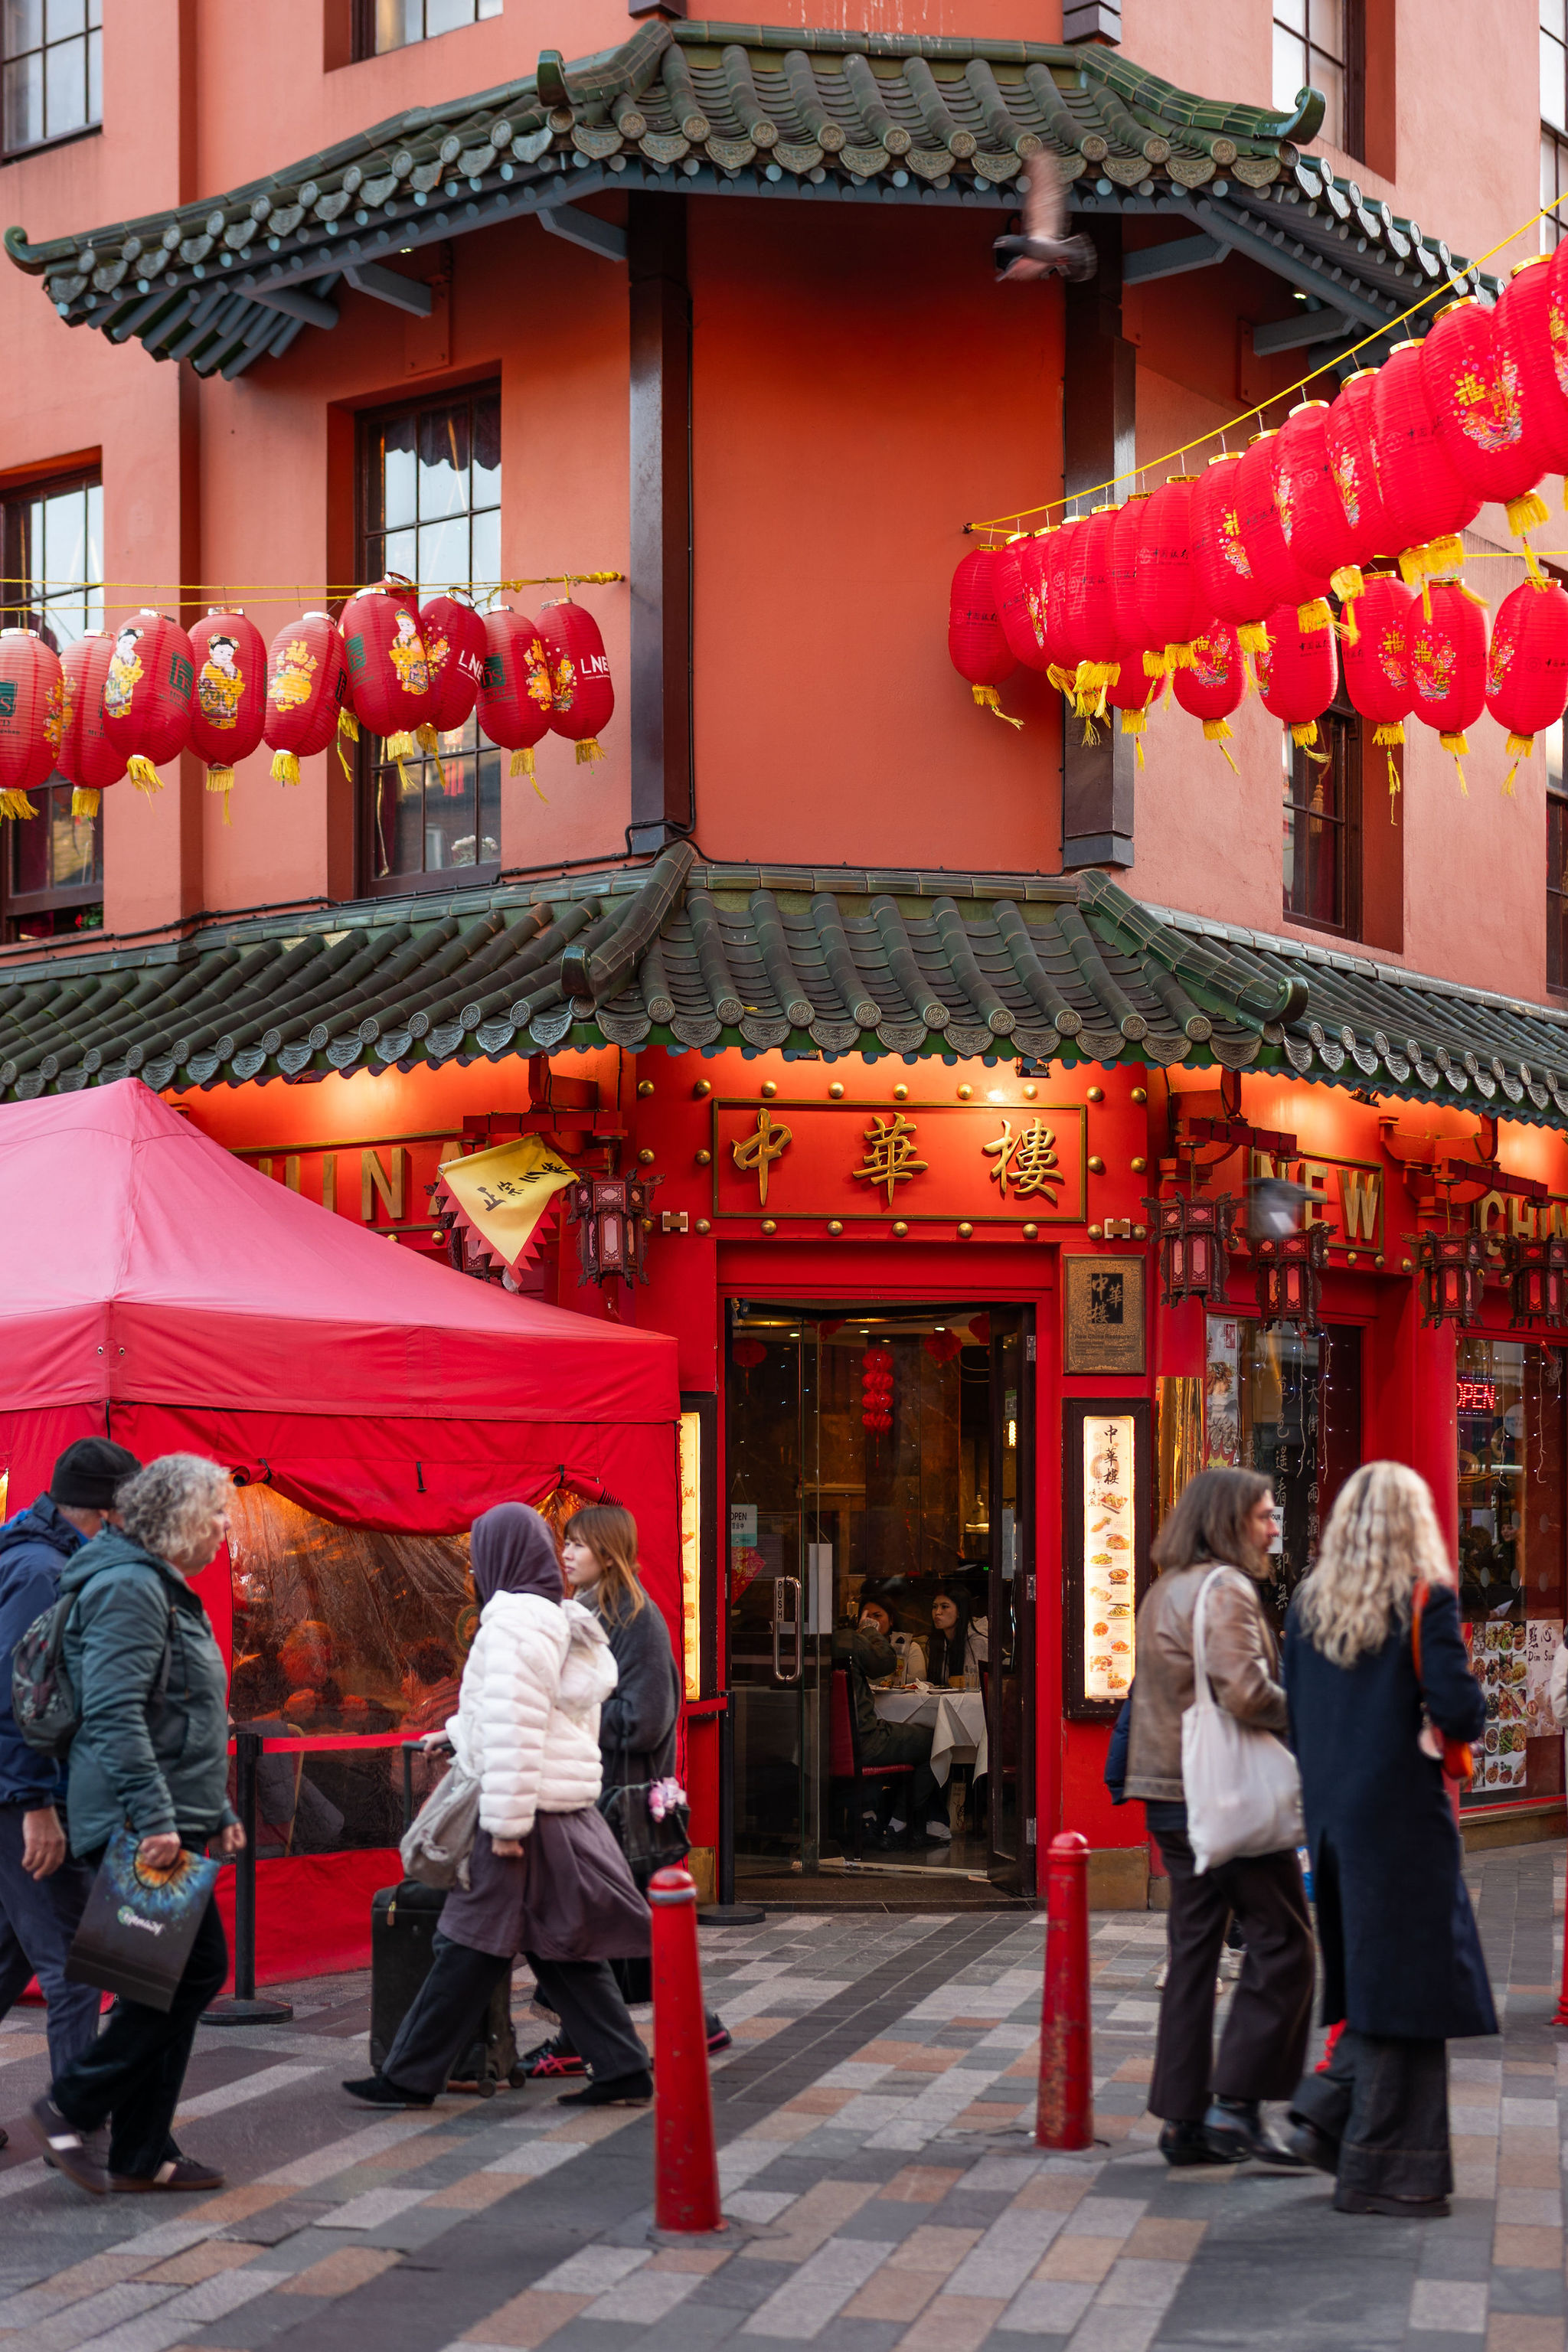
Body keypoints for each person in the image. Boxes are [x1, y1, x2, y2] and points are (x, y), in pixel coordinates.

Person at [343, 1503, 652, 2111]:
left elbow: (515, 1726)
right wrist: (456, 1732)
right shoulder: (554, 1618)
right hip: (554, 1810)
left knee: (466, 1946)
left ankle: (407, 2076)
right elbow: (517, 1712)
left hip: (521, 1815)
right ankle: (622, 2066)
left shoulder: (510, 1621)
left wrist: (506, 1827)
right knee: (552, 1949)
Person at [30, 1454, 244, 2196]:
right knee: (192, 1973)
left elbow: (183, 1713)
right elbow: (117, 1715)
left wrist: (212, 1812)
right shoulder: (130, 1588)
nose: (225, 1527)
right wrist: (157, 1818)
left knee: (157, 1981)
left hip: (160, 1814)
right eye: (216, 1512)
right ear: (177, 1519)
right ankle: (71, 2103)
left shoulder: (156, 1586)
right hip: (133, 1819)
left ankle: (141, 2152)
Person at [1283, 1462, 1494, 2218]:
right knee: (1408, 1990)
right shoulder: (1422, 1600)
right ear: (1414, 1523)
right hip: (1403, 1824)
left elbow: (1294, 1718)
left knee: (1371, 1981)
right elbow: (1458, 1709)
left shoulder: (1306, 1607)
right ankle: (1385, 2168)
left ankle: (1327, 2113)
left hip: (1331, 1825)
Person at [1123, 1466, 1315, 2169]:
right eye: (1265, 1515)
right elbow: (1244, 1692)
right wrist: (1313, 1712)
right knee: (1287, 1942)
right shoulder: (1225, 1588)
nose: (1273, 1527)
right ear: (1230, 1519)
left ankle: (1183, 2120)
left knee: (1195, 1953)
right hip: (1222, 1794)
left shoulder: (1164, 1588)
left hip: (1170, 1794)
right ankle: (1236, 2105)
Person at [519, 1504, 732, 2082]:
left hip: (621, 1803)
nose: (566, 1553)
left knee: (597, 1922)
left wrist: (569, 1713)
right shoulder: (587, 1611)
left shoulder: (636, 1617)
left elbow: (647, 1719)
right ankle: (684, 2024)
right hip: (592, 1794)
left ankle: (584, 2038)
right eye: (565, 1542)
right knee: (611, 1925)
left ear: (608, 1552)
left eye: (579, 1545)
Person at [0, 1439, 142, 2146]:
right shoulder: (39, 1571)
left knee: (17, 1956)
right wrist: (36, 1807)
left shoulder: (51, 1561)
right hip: (28, 1799)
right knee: (79, 1966)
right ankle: (75, 2125)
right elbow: (18, 1700)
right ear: (106, 1510)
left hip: (35, 1794)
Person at [841, 1590, 944, 1849]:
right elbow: (886, 1662)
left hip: (831, 1739)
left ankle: (869, 1816)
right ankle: (899, 1823)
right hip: (863, 1739)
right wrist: (868, 1631)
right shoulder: (850, 1640)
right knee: (936, 1740)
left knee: (895, 1738)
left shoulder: (817, 1642)